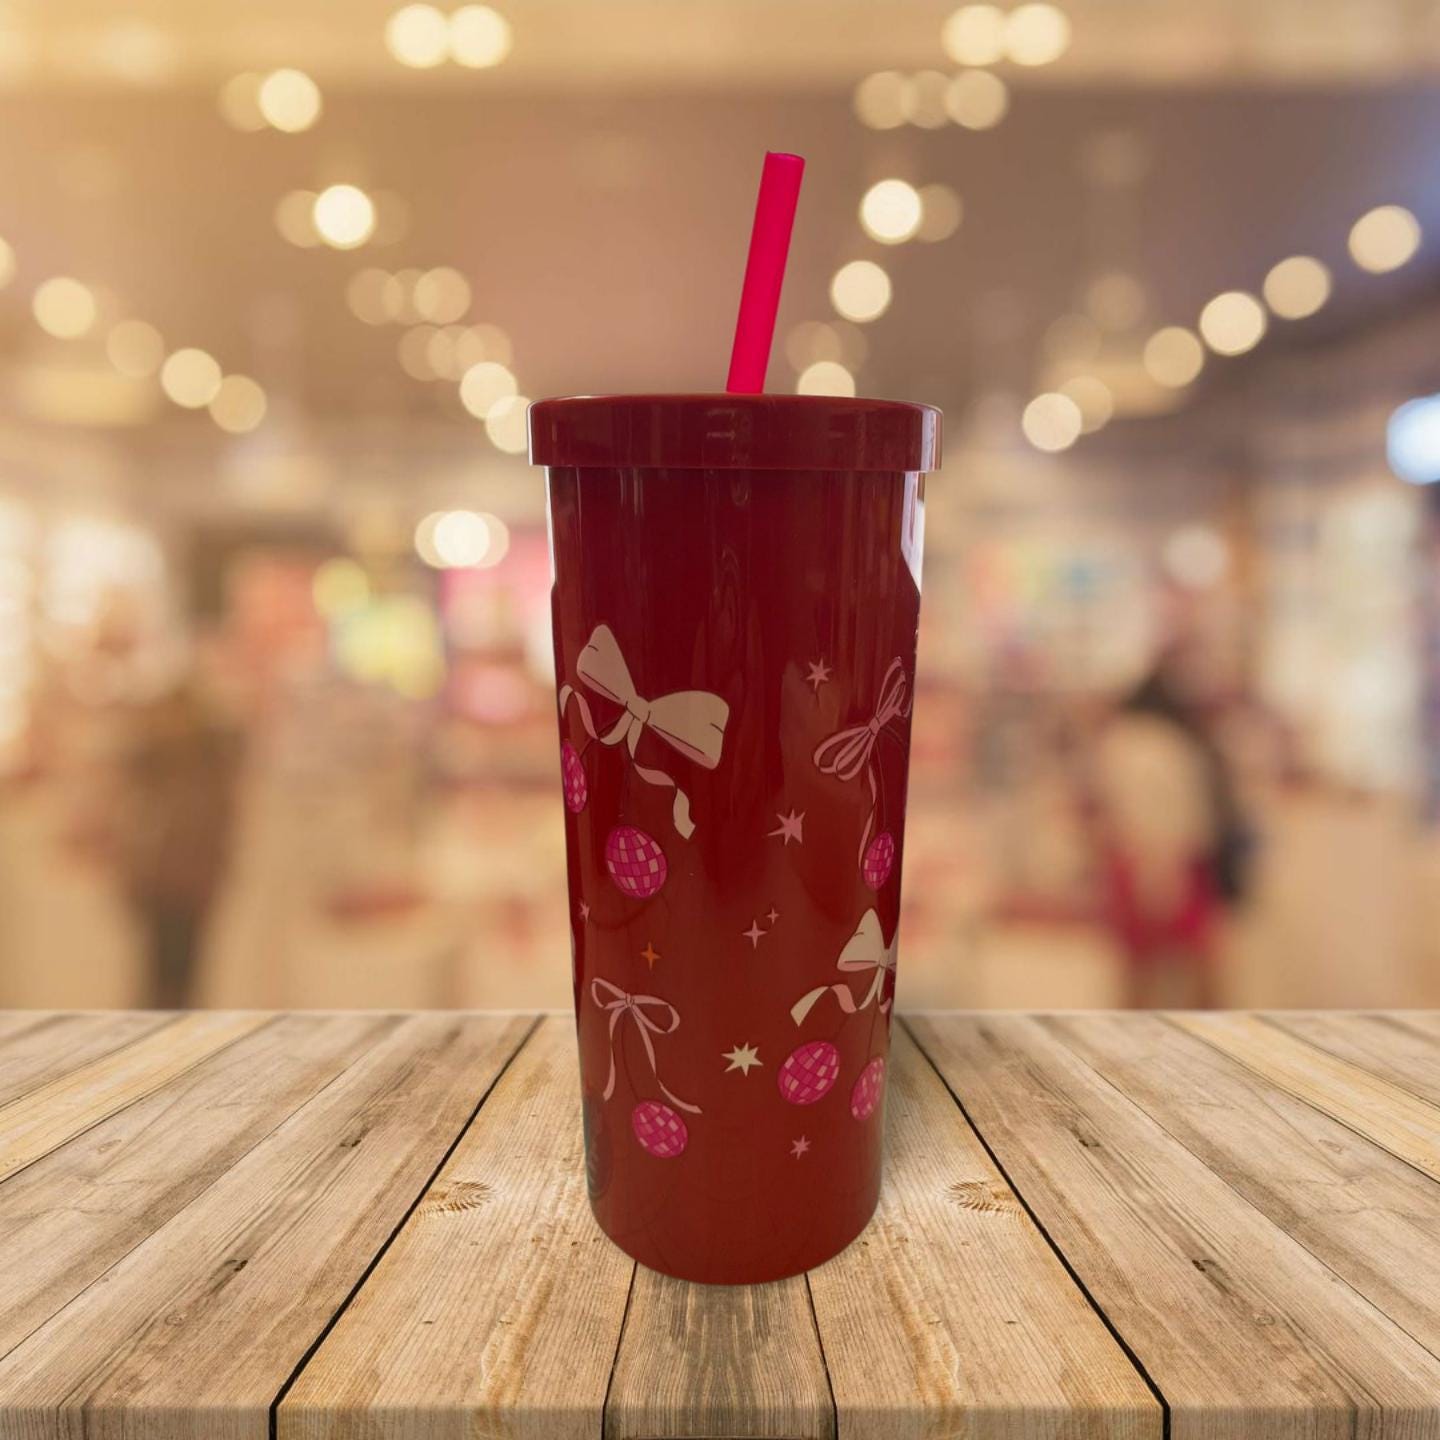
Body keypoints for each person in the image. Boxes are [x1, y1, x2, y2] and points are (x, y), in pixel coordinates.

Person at [1091, 661, 1250, 1009]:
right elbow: (1182, 812)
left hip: (1135, 859)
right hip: (1177, 859)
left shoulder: (1118, 741)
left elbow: (1113, 809)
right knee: (1198, 964)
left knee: (1140, 968)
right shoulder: (1172, 743)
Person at [114, 681, 240, 1008]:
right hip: (161, 883)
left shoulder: (207, 771)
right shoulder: (154, 765)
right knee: (156, 972)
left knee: (180, 975)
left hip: (186, 885)